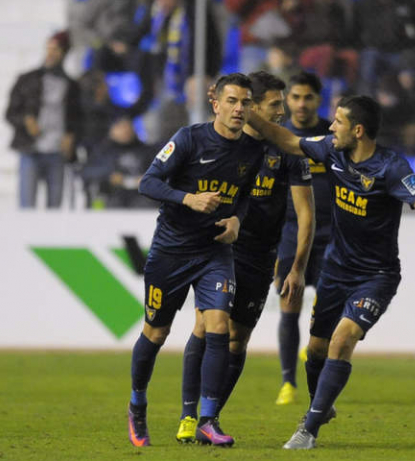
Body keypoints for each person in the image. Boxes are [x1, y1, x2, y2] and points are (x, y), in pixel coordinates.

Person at [245, 94, 415, 450]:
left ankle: (308, 429)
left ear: (358, 130)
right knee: (317, 348)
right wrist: (247, 112)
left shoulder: (391, 167)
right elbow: (288, 140)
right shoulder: (331, 150)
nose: (330, 126)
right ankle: (322, 404)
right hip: (336, 270)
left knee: (342, 340)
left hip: (376, 276)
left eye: (337, 121)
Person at [175, 70, 316, 443]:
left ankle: (212, 416)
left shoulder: (286, 152)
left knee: (238, 340)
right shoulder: (224, 142)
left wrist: (297, 268)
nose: (283, 111)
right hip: (220, 250)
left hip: (260, 255)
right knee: (206, 327)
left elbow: (306, 214)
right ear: (252, 107)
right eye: (274, 104)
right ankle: (190, 416)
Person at [127, 73, 265, 447]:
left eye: (246, 102)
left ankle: (207, 418)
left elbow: (246, 197)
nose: (239, 109)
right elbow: (148, 182)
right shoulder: (189, 138)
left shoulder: (253, 151)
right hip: (171, 252)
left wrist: (237, 218)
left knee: (218, 325)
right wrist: (188, 198)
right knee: (156, 332)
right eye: (232, 101)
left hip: (214, 252)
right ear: (215, 102)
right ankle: (137, 405)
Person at [275, 71, 332, 406]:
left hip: (330, 236)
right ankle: (287, 383)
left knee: (328, 309)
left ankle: (317, 377)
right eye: (294, 97)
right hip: (290, 234)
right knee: (288, 305)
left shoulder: (331, 135)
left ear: (317, 100)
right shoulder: (279, 136)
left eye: (307, 97)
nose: (300, 103)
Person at [5, 31, 81, 208]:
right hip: (32, 148)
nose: (50, 53)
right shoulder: (27, 79)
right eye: (49, 49)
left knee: (54, 207)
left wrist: (71, 136)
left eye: (56, 49)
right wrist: (26, 121)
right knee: (27, 205)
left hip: (57, 152)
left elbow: (77, 119)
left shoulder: (71, 86)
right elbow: (10, 113)